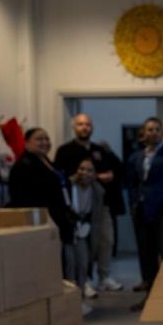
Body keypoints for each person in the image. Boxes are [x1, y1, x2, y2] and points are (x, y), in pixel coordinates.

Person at [54, 113, 125, 296]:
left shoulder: (99, 150)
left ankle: (104, 277)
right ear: (74, 127)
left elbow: (114, 172)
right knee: (81, 247)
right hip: (76, 208)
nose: (84, 127)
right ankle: (83, 280)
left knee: (106, 240)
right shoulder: (65, 151)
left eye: (87, 124)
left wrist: (101, 175)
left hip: (100, 205)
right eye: (80, 124)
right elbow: (60, 177)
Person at [125, 117, 163, 307]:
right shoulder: (136, 156)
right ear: (144, 133)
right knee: (146, 253)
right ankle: (150, 295)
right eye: (150, 129)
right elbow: (131, 184)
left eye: (158, 129)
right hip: (141, 212)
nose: (154, 132)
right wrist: (133, 204)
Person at [8, 128, 74, 252]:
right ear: (27, 143)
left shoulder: (49, 162)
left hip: (59, 219)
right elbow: (21, 200)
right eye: (39, 139)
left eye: (47, 139)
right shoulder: (23, 165)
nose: (45, 142)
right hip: (41, 223)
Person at [69, 157, 105, 315]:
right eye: (81, 168)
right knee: (70, 265)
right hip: (68, 230)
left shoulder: (97, 191)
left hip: (84, 230)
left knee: (83, 264)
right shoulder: (68, 185)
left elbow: (96, 215)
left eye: (89, 170)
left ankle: (80, 298)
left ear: (95, 174)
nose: (84, 173)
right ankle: (69, 301)